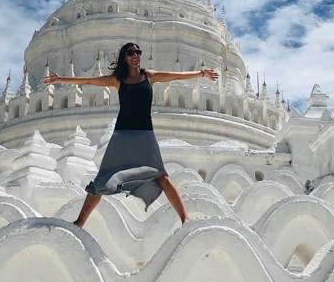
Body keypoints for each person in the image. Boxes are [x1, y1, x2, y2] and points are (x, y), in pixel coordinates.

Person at [43, 42, 219, 227]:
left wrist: (201, 73)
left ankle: (185, 218)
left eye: (138, 52)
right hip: (122, 136)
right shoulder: (117, 80)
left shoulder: (148, 76)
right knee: (103, 179)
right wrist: (60, 79)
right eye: (131, 52)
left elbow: (175, 76)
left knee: (161, 177)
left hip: (145, 136)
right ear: (124, 57)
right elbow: (88, 81)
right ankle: (79, 222)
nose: (135, 55)